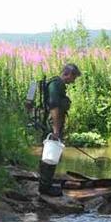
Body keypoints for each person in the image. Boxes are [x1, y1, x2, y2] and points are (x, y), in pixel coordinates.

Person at [38, 63, 81, 196]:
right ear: (68, 74)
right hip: (52, 126)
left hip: (52, 125)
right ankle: (45, 188)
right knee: (50, 157)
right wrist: (56, 130)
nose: (73, 81)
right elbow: (54, 107)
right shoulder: (56, 85)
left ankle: (46, 184)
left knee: (51, 156)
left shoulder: (57, 84)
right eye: (74, 78)